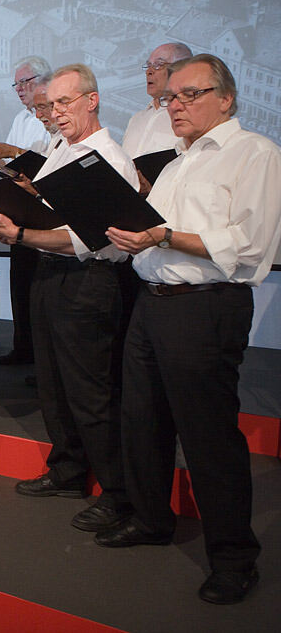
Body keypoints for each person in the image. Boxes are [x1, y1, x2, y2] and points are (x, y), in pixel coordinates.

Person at [99, 54, 281, 605]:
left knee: (208, 435)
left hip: (205, 307)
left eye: (188, 95)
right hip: (151, 304)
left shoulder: (256, 154)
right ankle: (153, 521)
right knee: (143, 422)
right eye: (170, 97)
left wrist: (163, 237)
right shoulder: (177, 164)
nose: (173, 105)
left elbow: (252, 246)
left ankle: (233, 557)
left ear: (226, 98)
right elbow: (146, 232)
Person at [0, 64, 138, 531]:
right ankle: (67, 469)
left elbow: (89, 239)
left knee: (90, 392)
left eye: (64, 103)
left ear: (92, 101)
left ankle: (119, 494)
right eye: (50, 104)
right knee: (53, 383)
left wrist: (20, 231)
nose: (54, 112)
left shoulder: (109, 157)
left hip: (87, 280)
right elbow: (52, 214)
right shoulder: (62, 149)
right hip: (52, 276)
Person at [0, 59, 55, 367]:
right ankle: (22, 345)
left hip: (49, 212)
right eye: (16, 84)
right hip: (21, 207)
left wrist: (14, 153)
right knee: (20, 283)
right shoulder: (19, 118)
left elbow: (49, 163)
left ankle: (40, 354)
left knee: (40, 288)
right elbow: (14, 167)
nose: (20, 89)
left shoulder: (54, 119)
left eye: (27, 82)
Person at [121, 42, 193, 194]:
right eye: (148, 66)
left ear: (181, 70)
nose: (149, 72)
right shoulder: (136, 119)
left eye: (159, 65)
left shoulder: (187, 118)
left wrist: (152, 192)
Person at [0, 56, 54, 161]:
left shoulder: (55, 115)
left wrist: (13, 151)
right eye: (16, 84)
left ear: (43, 80)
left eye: (23, 82)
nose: (18, 88)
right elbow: (10, 163)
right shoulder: (20, 118)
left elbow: (51, 165)